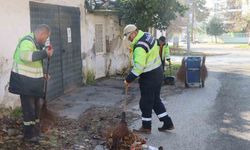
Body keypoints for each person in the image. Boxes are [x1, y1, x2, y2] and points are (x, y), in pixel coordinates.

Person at [123, 24, 174, 134]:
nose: (129, 39)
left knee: (145, 103)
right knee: (155, 100)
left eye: (129, 37)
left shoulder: (139, 47)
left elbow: (139, 67)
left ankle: (146, 127)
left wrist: (128, 79)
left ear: (134, 33)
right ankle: (167, 123)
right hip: (158, 72)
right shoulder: (147, 35)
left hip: (149, 77)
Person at [8, 24, 53, 143]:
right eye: (46, 37)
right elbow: (26, 57)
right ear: (42, 34)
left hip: (33, 84)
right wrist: (45, 54)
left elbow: (35, 63)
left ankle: (36, 132)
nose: (46, 40)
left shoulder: (37, 44)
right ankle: (29, 135)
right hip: (24, 83)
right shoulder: (27, 41)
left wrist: (42, 74)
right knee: (29, 110)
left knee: (36, 109)